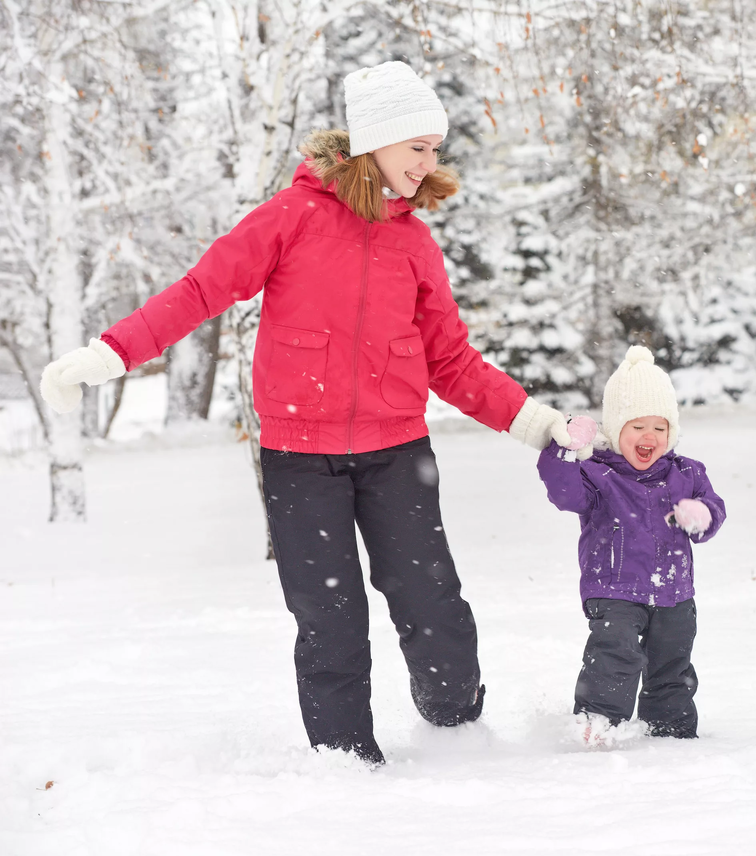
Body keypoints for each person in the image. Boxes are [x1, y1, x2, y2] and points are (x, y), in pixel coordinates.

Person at [39, 60, 571, 765]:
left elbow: (451, 362)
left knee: (433, 605)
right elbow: (200, 291)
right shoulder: (290, 219)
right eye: (418, 146)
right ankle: (346, 767)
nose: (429, 163)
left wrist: (535, 422)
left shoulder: (414, 243)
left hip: (396, 453)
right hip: (298, 457)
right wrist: (112, 355)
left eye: (435, 150)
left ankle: (458, 734)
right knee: (330, 619)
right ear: (375, 141)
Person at [537, 345, 726, 746]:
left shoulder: (687, 473)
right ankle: (598, 721)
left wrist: (703, 515)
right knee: (615, 652)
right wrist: (564, 451)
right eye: (637, 426)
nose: (649, 436)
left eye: (660, 428)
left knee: (672, 663)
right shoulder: (597, 474)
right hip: (614, 587)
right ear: (616, 429)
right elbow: (564, 494)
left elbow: (713, 511)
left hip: (674, 590)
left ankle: (670, 730)